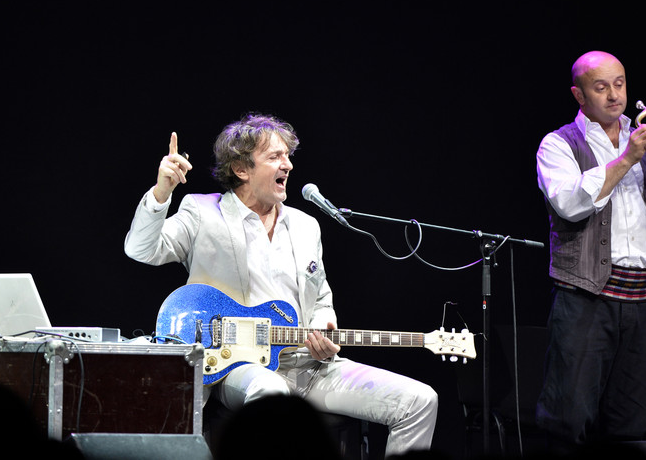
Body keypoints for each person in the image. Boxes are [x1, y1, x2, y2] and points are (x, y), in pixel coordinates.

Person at [124, 113, 438, 457]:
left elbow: (321, 299)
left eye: (287, 156)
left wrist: (323, 328)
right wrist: (162, 191)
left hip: (309, 366)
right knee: (272, 393)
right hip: (240, 367)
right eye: (275, 156)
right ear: (241, 169)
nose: (287, 165)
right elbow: (141, 250)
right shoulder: (203, 212)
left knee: (420, 401)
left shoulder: (306, 226)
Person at [534, 51, 646, 450]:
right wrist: (627, 157)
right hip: (585, 300)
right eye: (601, 87)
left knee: (634, 420)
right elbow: (570, 204)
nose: (614, 95)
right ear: (579, 95)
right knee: (567, 419)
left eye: (619, 83)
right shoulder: (558, 144)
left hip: (643, 301)